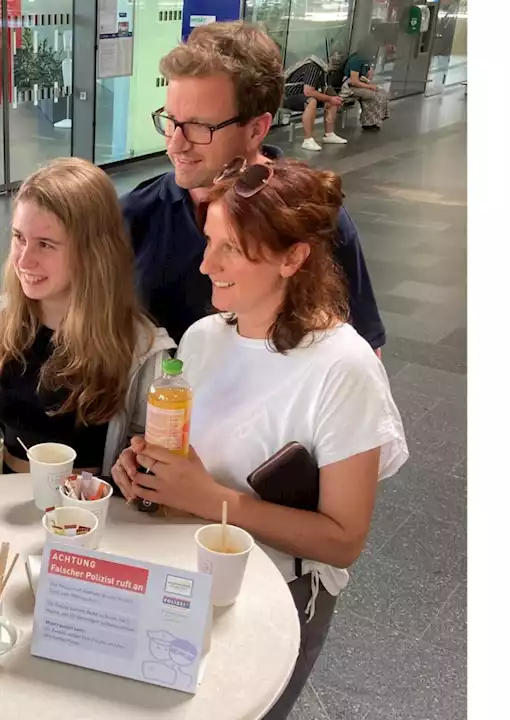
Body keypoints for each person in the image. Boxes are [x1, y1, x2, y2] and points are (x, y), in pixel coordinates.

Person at [111, 157, 408, 720]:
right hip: (185, 570)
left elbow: (342, 540)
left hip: (278, 591)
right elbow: (192, 463)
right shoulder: (202, 338)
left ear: (294, 257)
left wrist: (208, 498)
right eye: (209, 242)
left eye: (231, 249)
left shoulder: (343, 369)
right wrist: (150, 470)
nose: (205, 264)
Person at [122, 21, 386, 355]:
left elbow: (363, 353)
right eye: (171, 120)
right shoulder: (134, 215)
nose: (175, 144)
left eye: (200, 127)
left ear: (256, 129)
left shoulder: (312, 218)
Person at [0, 158, 175, 479]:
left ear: (92, 253)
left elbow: (148, 459)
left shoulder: (142, 350)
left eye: (45, 244)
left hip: (90, 517)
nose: (25, 259)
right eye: (19, 238)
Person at [282, 55, 348, 152]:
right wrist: (329, 98)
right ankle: (308, 140)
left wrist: (334, 98)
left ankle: (329, 135)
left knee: (331, 101)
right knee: (311, 101)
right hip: (289, 97)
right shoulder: (313, 68)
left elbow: (324, 89)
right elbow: (308, 91)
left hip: (302, 96)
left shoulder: (323, 72)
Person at [341, 48, 391, 130]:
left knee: (382, 92)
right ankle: (368, 122)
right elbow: (354, 82)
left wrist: (370, 75)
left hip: (360, 85)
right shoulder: (356, 60)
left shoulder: (365, 60)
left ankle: (375, 120)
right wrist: (370, 87)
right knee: (372, 95)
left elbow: (366, 77)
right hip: (349, 87)